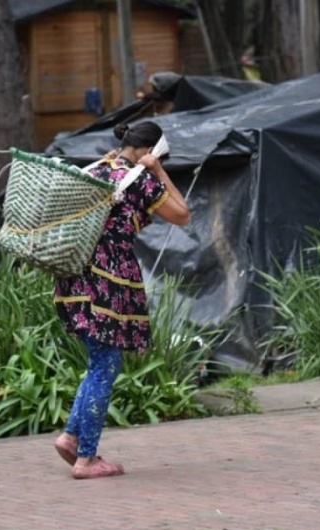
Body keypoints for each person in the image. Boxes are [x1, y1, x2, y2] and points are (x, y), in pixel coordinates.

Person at [52, 121, 190, 479]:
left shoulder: (97, 170)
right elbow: (182, 213)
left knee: (99, 361)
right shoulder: (140, 180)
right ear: (149, 151)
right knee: (106, 365)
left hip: (74, 278)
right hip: (108, 284)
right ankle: (86, 459)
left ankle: (70, 437)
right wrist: (158, 171)